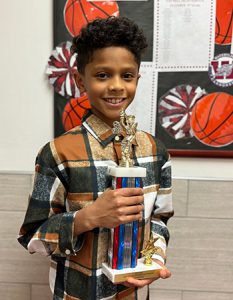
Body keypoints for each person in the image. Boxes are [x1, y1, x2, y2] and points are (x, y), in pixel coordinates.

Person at [18, 16, 174, 300]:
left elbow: (160, 219)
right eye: (103, 75)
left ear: (137, 78)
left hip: (133, 294)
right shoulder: (57, 153)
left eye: (127, 76)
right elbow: (32, 237)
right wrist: (86, 218)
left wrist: (155, 258)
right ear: (80, 80)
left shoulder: (155, 151)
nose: (116, 86)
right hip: (75, 294)